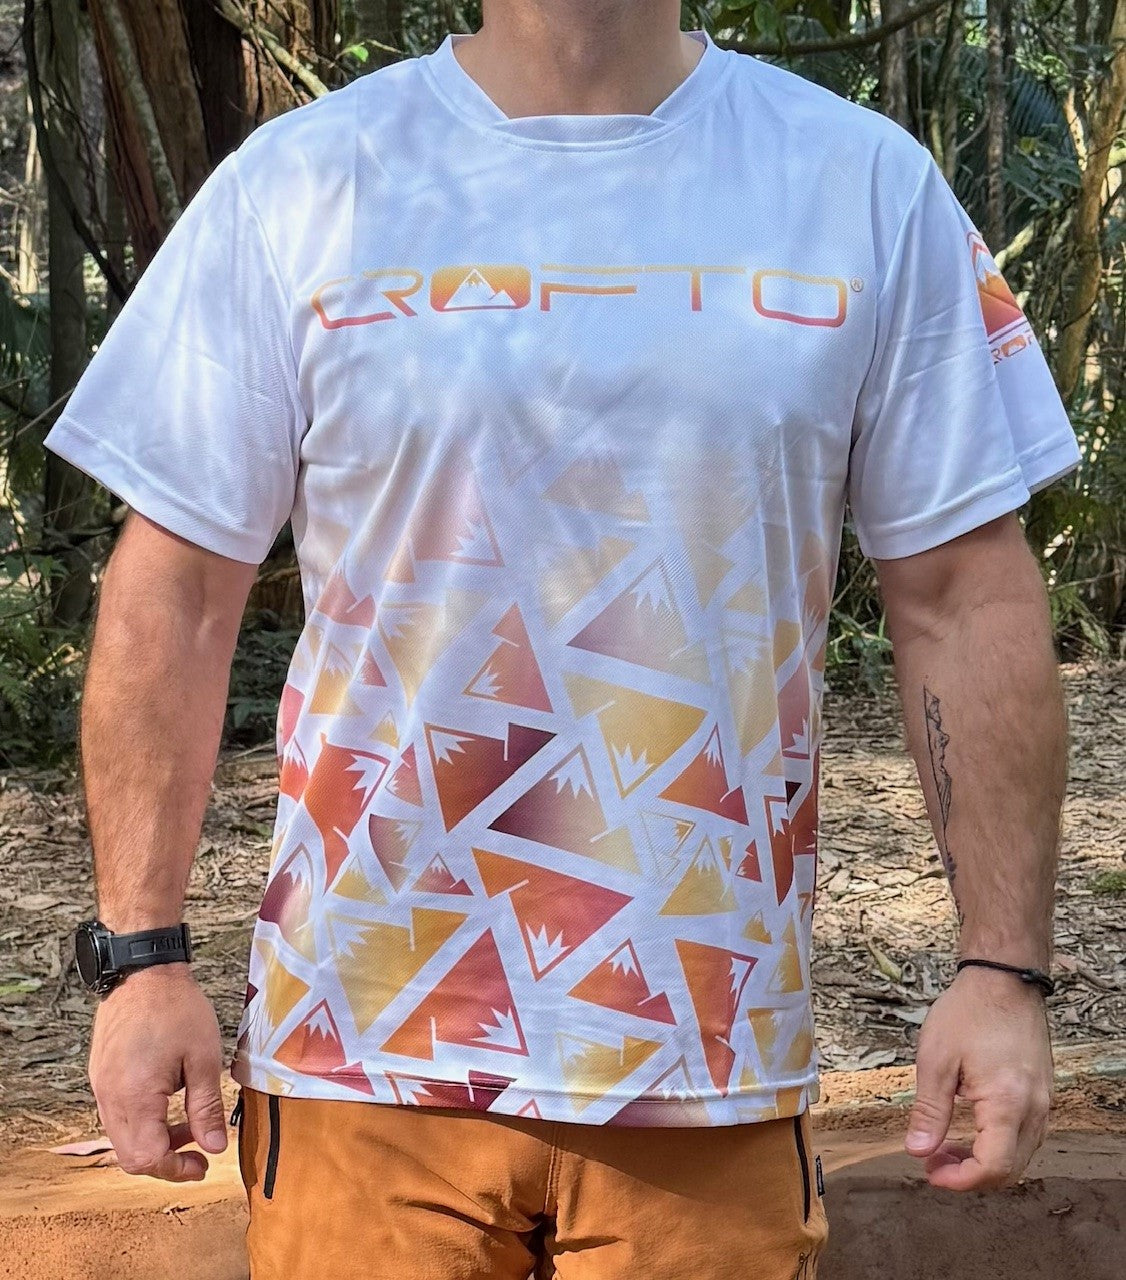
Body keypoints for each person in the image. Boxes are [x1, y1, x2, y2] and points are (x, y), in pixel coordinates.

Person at [47, 3, 1076, 1277]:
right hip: (361, 1053)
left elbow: (964, 597)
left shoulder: (861, 186)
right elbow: (174, 595)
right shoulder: (302, 184)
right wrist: (140, 958)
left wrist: (1003, 968)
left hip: (707, 1064)